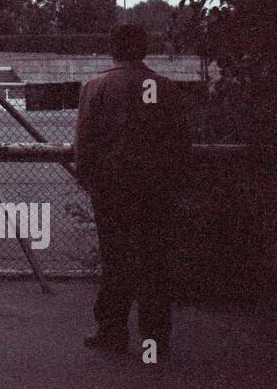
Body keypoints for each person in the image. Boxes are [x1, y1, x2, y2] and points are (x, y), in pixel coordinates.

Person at [75, 23, 190, 356]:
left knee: (115, 258)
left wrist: (87, 177)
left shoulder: (96, 88)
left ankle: (112, 329)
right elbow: (179, 141)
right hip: (155, 187)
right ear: (144, 49)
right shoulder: (165, 88)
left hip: (111, 188)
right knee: (155, 260)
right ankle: (155, 334)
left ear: (113, 48)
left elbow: (85, 142)